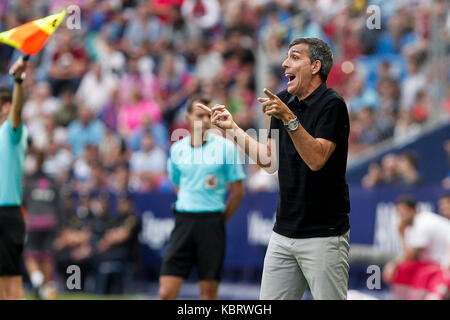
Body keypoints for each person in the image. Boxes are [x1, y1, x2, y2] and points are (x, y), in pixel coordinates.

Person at [211, 37, 351, 300]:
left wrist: (289, 118)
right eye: (287, 56)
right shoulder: (283, 100)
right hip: (282, 232)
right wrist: (231, 128)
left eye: (295, 57)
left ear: (315, 66)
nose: (285, 63)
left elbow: (316, 160)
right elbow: (268, 161)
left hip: (324, 235)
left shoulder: (332, 104)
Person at [159, 96, 246, 300]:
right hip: (184, 221)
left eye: (209, 115)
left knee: (208, 294)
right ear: (188, 117)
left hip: (211, 222)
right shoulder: (177, 150)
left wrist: (219, 219)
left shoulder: (226, 148)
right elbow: (177, 184)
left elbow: (238, 191)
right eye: (200, 115)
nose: (205, 120)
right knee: (165, 293)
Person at [382, 195, 450, 299]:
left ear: (412, 210)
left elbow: (412, 256)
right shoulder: (411, 226)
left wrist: (401, 234)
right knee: (403, 269)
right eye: (399, 214)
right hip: (433, 265)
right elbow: (410, 256)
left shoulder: (423, 222)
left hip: (441, 267)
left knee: (405, 269)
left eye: (402, 213)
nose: (401, 217)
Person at [0, 56, 28, 300]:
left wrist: (18, 80)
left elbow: (18, 110)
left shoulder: (12, 131)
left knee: (11, 288)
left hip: (7, 215)